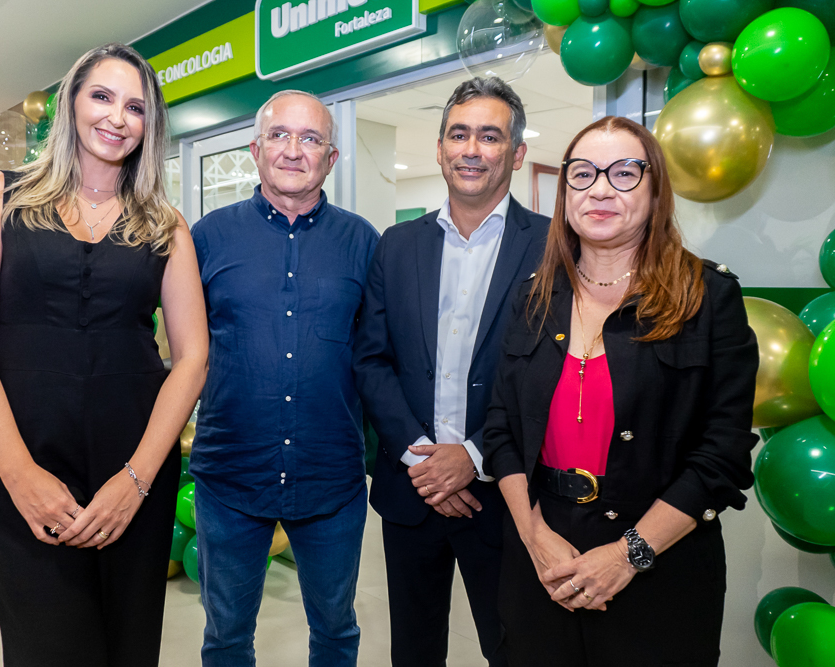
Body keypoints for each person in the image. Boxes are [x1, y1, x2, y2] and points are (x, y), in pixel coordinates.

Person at [0, 43, 208, 667]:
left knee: (128, 646)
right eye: (102, 96)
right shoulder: (2, 198)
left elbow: (192, 357)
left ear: (150, 125)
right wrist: (18, 475)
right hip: (25, 463)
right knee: (48, 647)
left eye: (136, 107)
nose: (118, 117)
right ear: (71, 103)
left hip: (134, 472)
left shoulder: (164, 225)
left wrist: (137, 481)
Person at [482, 116, 759, 666]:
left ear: (655, 189)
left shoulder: (708, 297)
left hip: (660, 565)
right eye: (582, 174)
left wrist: (627, 557)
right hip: (542, 560)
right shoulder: (532, 297)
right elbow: (500, 428)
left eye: (625, 173)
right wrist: (534, 536)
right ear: (564, 195)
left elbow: (721, 455)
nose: (601, 188)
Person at [353, 76, 548, 667]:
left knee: (512, 647)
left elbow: (550, 377)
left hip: (505, 495)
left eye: (490, 137)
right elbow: (371, 358)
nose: (471, 149)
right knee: (413, 649)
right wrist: (421, 456)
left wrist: (473, 455)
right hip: (410, 492)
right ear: (439, 148)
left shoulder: (552, 246)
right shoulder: (396, 244)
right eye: (458, 134)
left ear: (515, 154)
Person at [189, 89, 378, 667]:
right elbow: (178, 349)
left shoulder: (364, 243)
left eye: (311, 138)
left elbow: (380, 356)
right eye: (280, 135)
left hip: (332, 479)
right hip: (230, 478)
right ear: (256, 149)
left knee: (337, 632)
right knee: (225, 638)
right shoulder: (205, 239)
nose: (294, 150)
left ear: (332, 157)